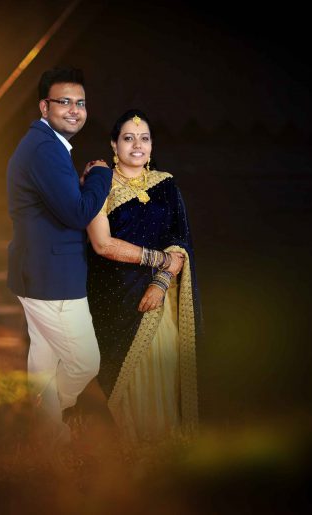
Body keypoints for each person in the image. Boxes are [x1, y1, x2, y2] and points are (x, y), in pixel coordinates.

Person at [6, 67, 114, 446]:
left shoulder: (45, 145)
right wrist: (101, 175)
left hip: (37, 271)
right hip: (52, 278)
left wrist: (79, 185)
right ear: (44, 107)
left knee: (43, 360)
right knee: (85, 361)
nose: (74, 110)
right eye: (64, 102)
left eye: (80, 103)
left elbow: (58, 202)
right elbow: (77, 213)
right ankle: (51, 419)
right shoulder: (45, 150)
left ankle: (46, 439)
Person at [86, 109, 202, 446]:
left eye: (144, 138)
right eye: (128, 138)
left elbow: (181, 242)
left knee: (162, 373)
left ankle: (165, 455)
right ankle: (132, 458)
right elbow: (102, 245)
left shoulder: (166, 184)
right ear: (114, 145)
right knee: (126, 381)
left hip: (158, 302)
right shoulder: (99, 185)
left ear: (151, 145)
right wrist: (160, 259)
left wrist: (160, 282)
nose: (137, 145)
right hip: (114, 299)